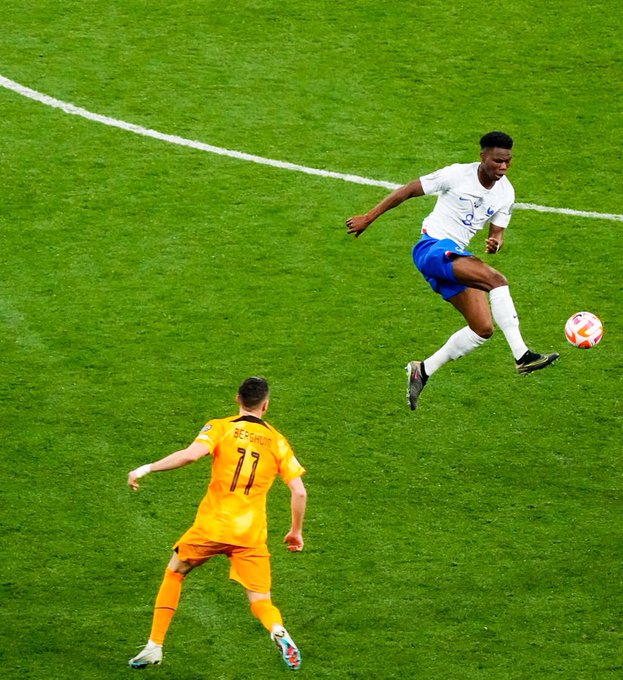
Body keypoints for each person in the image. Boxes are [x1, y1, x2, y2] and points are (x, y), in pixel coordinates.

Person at [346, 131, 559, 411]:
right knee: (497, 280)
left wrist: (496, 243)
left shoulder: (506, 192)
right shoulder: (457, 174)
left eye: (508, 161)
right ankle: (522, 355)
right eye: (498, 161)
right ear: (483, 156)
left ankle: (423, 370)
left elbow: (497, 232)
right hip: (433, 248)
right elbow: (409, 190)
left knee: (483, 329)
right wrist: (368, 218)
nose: (503, 167)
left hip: (454, 258)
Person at [127, 377, 307, 671]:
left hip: (213, 526)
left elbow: (190, 456)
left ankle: (154, 646)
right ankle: (276, 628)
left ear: (237, 399)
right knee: (261, 600)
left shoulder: (221, 427)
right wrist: (295, 531)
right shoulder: (277, 441)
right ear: (265, 405)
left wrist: (145, 469)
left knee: (175, 572)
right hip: (250, 534)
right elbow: (299, 492)